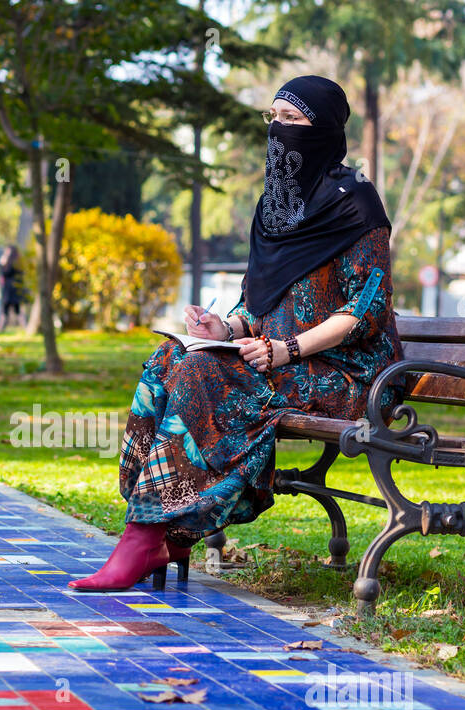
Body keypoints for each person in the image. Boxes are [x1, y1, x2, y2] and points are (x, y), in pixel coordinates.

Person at [71, 75, 404, 591]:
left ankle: (145, 535)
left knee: (208, 372)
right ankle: (171, 531)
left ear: (324, 130)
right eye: (272, 118)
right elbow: (257, 304)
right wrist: (223, 326)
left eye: (291, 120)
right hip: (280, 361)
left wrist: (286, 349)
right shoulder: (274, 208)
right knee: (170, 357)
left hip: (350, 375)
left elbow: (365, 312)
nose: (278, 129)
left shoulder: (355, 202)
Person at [0, 246, 23, 331]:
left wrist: (2, 264)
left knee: (7, 310)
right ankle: (25, 327)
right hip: (14, 290)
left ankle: (1, 328)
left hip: (9, 290)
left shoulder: (10, 263)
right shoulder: (18, 262)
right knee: (16, 310)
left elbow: (5, 273)